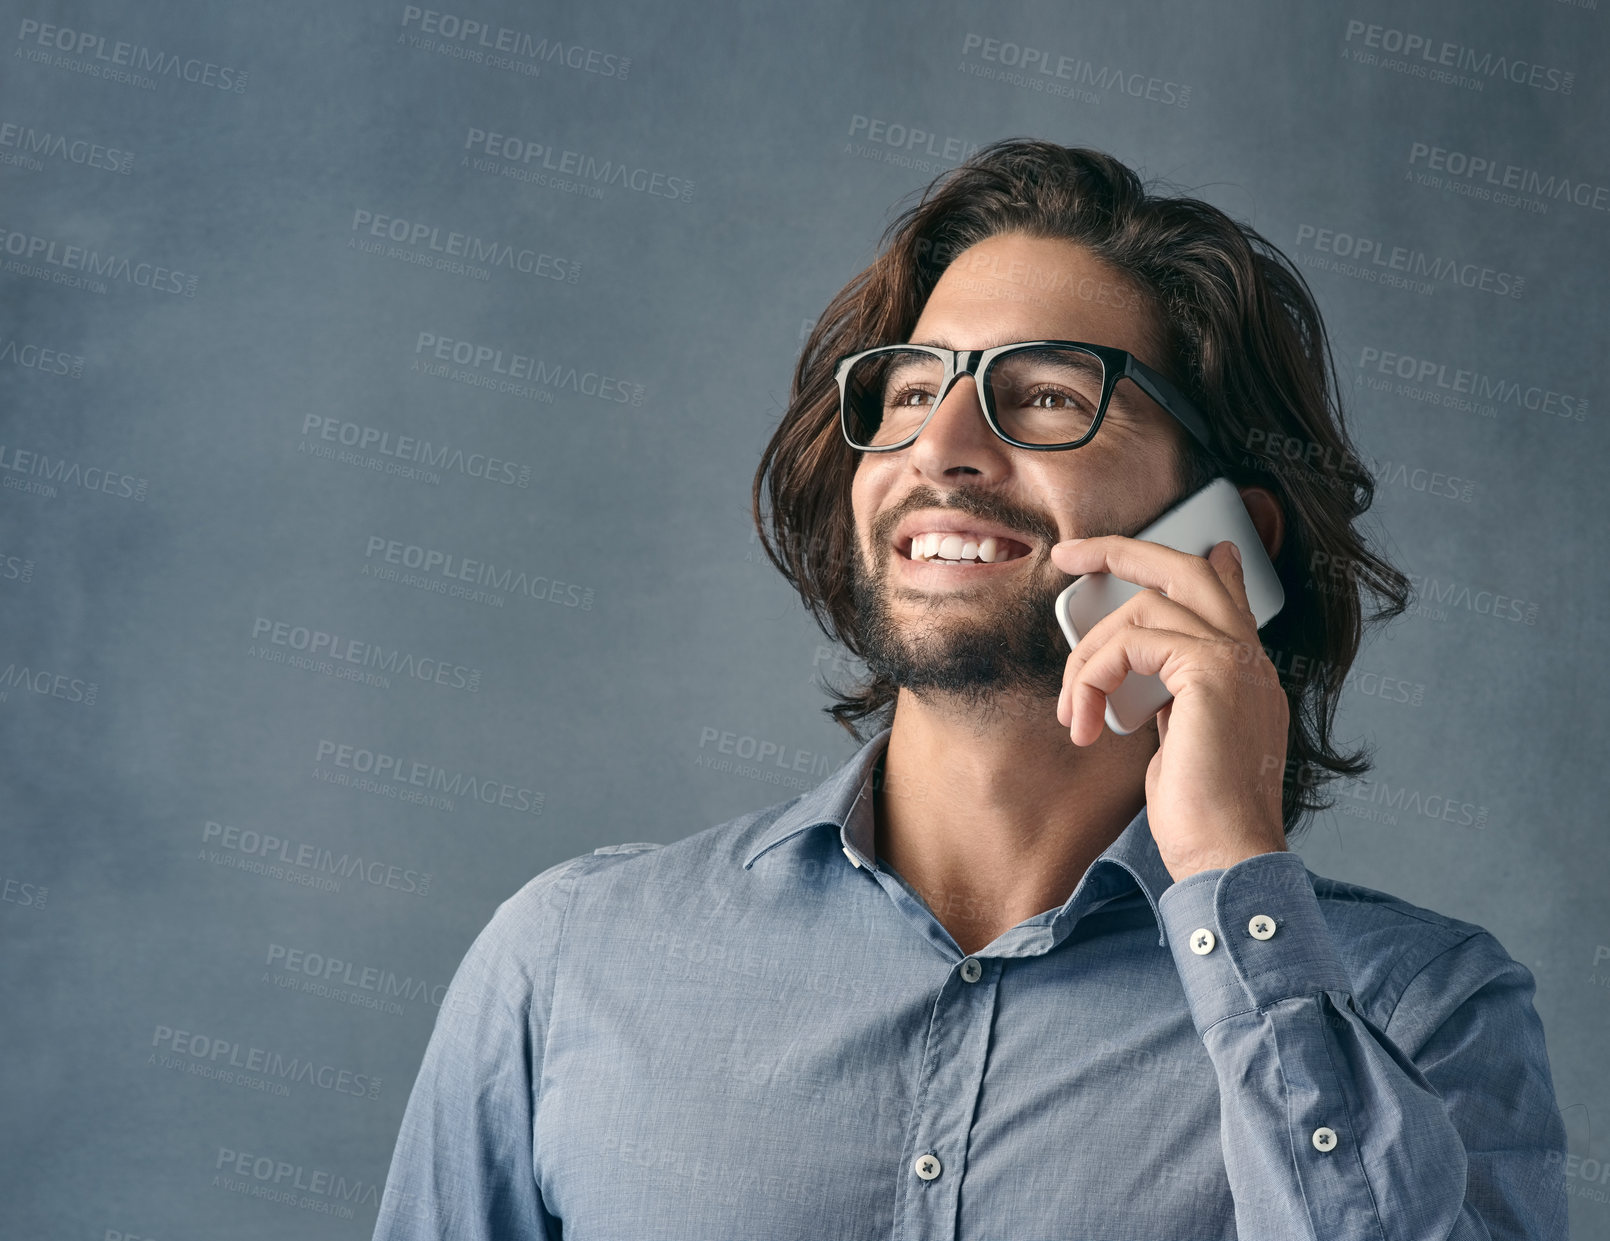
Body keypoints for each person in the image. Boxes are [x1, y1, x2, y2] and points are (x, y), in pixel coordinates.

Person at [372, 140, 1568, 1240]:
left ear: (1225, 544)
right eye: (905, 391)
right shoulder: (568, 956)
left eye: (1046, 394)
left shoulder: (1420, 1012)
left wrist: (1225, 873)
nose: (942, 443)